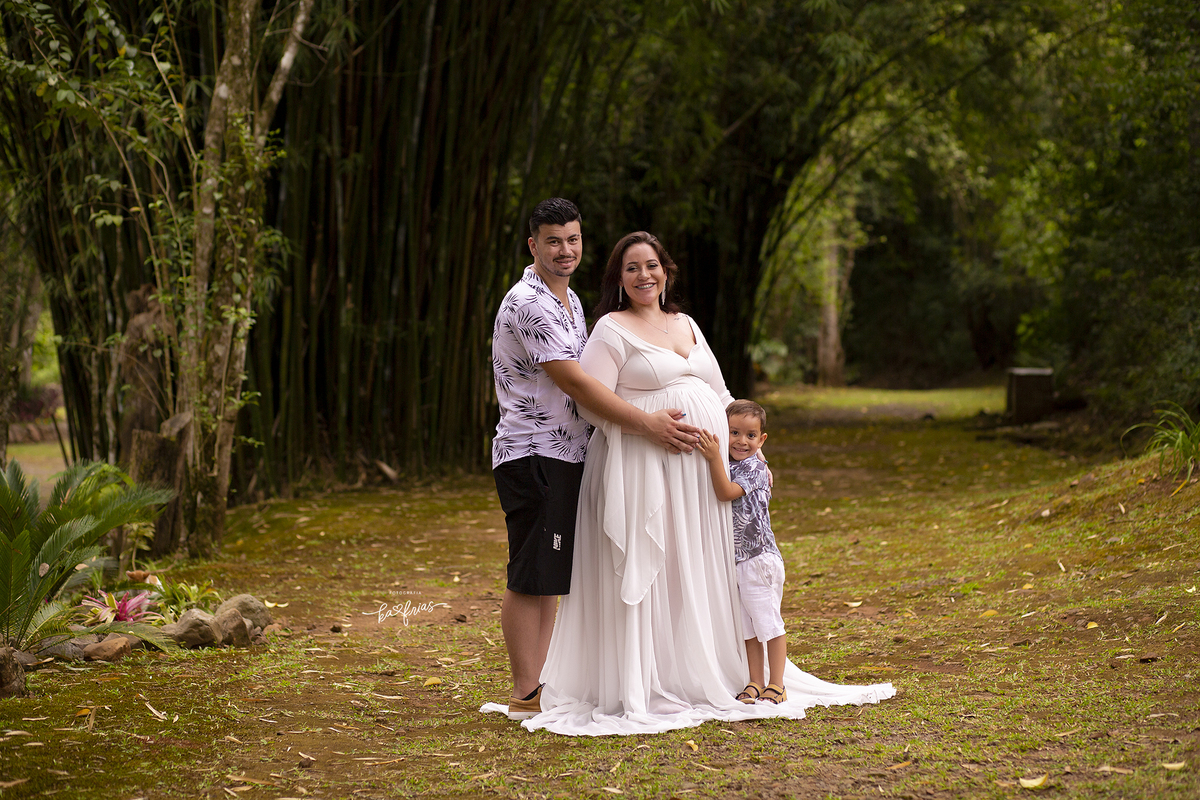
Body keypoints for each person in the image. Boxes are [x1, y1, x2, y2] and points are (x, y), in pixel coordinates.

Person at [506, 231, 894, 736]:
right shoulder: (609, 329)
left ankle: (710, 667)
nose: (644, 276)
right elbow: (588, 403)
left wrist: (750, 454)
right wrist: (648, 425)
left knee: (697, 567)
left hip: (704, 476)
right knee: (660, 565)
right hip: (641, 465)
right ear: (618, 280)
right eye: (631, 268)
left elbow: (723, 393)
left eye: (652, 266)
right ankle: (648, 678)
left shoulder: (686, 323)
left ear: (666, 271)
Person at [490, 201, 700, 720]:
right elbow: (577, 382)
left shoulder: (569, 301)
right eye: (554, 241)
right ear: (532, 245)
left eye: (574, 239)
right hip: (533, 451)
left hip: (564, 452)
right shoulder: (530, 302)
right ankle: (524, 692)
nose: (566, 250)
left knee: (549, 573)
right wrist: (645, 421)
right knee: (529, 572)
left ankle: (537, 687)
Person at [696, 400, 788, 705]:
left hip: (759, 559)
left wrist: (712, 458)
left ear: (761, 441)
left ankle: (778, 683)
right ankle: (755, 681)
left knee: (768, 624)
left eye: (750, 436)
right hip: (740, 561)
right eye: (734, 432)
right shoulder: (734, 463)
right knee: (747, 628)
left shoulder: (754, 467)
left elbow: (724, 493)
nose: (741, 441)